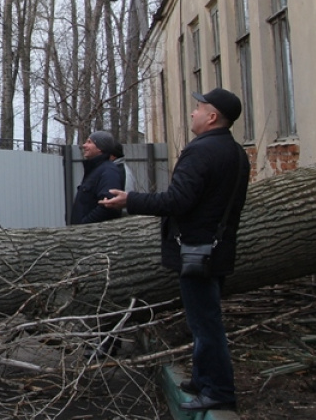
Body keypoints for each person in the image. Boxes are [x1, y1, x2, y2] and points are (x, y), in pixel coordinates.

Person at [101, 88, 250, 412]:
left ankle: (218, 390)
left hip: (197, 251)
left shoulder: (201, 152)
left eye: (198, 108)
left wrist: (131, 200)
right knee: (204, 319)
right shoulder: (236, 152)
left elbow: (177, 201)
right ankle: (202, 379)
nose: (193, 113)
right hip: (218, 249)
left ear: (212, 117)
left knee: (205, 324)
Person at [69, 130, 125, 226]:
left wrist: (85, 226)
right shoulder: (95, 170)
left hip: (92, 237)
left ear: (100, 148)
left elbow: (109, 206)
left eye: (89, 142)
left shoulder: (109, 171)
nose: (84, 145)